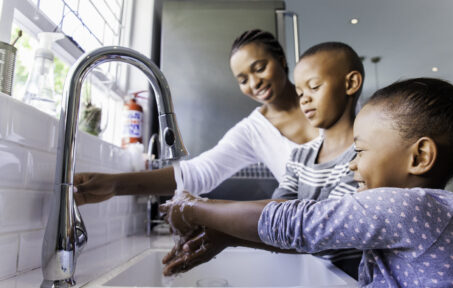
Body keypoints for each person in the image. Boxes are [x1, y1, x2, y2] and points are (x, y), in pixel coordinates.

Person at [162, 68, 453, 287]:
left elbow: (300, 223)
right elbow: (323, 237)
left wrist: (193, 206)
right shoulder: (421, 212)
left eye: (360, 151)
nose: (352, 165)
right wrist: (228, 237)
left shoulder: (411, 207)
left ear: (419, 157)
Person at [162, 41, 365, 278]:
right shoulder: (300, 158)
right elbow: (279, 222)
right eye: (300, 93)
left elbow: (315, 227)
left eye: (314, 87)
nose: (304, 100)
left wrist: (196, 208)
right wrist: (227, 236)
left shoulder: (365, 157)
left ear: (350, 83)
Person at [73, 29, 318, 205]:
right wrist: (116, 184)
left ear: (282, 61)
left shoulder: (321, 96)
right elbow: (199, 173)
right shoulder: (253, 131)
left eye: (260, 68)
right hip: (323, 246)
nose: (254, 83)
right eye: (243, 80)